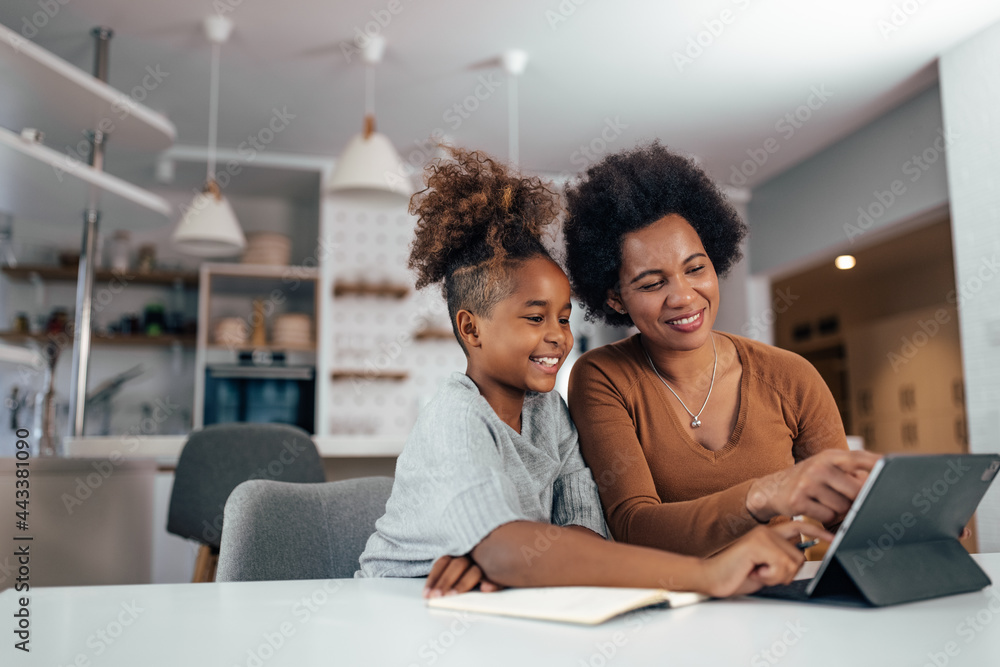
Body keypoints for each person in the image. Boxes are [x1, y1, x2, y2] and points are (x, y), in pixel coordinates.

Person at [356, 146, 832, 598]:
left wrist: (509, 555)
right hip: (392, 601)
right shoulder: (455, 417)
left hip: (489, 596)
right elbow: (511, 547)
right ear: (471, 328)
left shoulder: (548, 413)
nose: (558, 336)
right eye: (534, 317)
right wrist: (705, 573)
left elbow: (584, 530)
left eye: (563, 318)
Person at [563, 141, 881, 558]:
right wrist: (765, 494)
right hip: (673, 608)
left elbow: (847, 517)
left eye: (696, 268)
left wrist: (905, 516)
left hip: (781, 601)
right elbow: (634, 527)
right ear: (616, 298)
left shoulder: (791, 376)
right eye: (652, 283)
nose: (683, 296)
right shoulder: (603, 377)